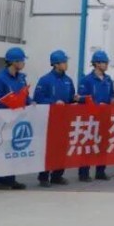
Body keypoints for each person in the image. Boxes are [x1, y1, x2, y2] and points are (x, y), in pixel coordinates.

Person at [0, 47, 31, 190]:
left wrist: (30, 102)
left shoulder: (21, 78)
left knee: (13, 150)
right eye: (22, 60)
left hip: (17, 119)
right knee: (3, 149)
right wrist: (10, 102)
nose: (23, 63)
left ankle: (11, 179)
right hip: (3, 119)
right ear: (14, 62)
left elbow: (24, 95)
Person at [34, 50, 79, 187]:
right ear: (56, 64)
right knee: (49, 149)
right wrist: (54, 102)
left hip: (64, 120)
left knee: (61, 148)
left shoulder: (68, 80)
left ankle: (57, 175)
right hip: (49, 120)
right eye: (64, 62)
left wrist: (75, 100)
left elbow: (70, 98)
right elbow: (38, 98)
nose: (66, 64)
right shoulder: (45, 80)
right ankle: (43, 176)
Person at [77, 50, 114, 182]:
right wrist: (97, 104)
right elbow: (81, 98)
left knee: (103, 144)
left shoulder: (108, 79)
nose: (106, 65)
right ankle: (83, 172)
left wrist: (112, 100)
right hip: (91, 118)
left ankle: (100, 171)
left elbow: (111, 94)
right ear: (97, 64)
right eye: (104, 62)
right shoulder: (87, 80)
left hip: (104, 116)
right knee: (88, 144)